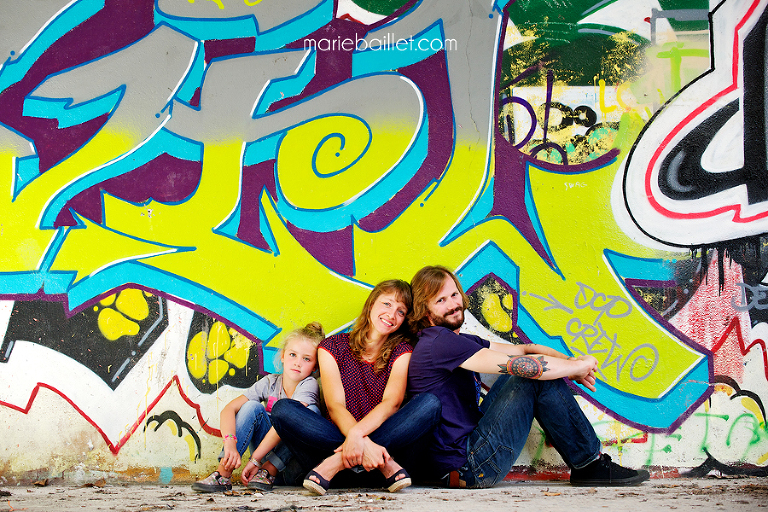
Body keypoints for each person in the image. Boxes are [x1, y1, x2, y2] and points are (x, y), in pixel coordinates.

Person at [407, 265, 650, 488]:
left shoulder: (456, 341)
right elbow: (519, 365)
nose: (452, 304)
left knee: (535, 368)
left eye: (454, 294)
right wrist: (575, 370)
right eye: (440, 300)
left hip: (468, 455)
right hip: (470, 467)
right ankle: (590, 464)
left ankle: (589, 465)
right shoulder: (439, 342)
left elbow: (525, 349)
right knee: (529, 373)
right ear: (424, 311)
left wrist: (572, 363)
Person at [271, 279, 441, 495]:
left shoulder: (402, 351)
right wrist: (363, 443)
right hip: (369, 463)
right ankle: (365, 457)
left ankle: (338, 462)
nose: (391, 314)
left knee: (430, 404)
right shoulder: (332, 347)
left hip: (364, 464)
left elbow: (392, 403)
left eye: (401, 311)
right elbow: (335, 405)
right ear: (371, 304)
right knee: (283, 410)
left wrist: (356, 437)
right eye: (387, 304)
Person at [192, 322, 325, 493]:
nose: (298, 363)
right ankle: (223, 473)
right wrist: (230, 443)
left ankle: (269, 469)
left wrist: (255, 459)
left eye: (306, 359)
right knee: (251, 406)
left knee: (310, 413)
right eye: (293, 355)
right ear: (283, 356)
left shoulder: (309, 384)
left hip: (292, 467)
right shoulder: (270, 382)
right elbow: (229, 409)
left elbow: (290, 423)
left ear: (314, 366)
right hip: (260, 469)